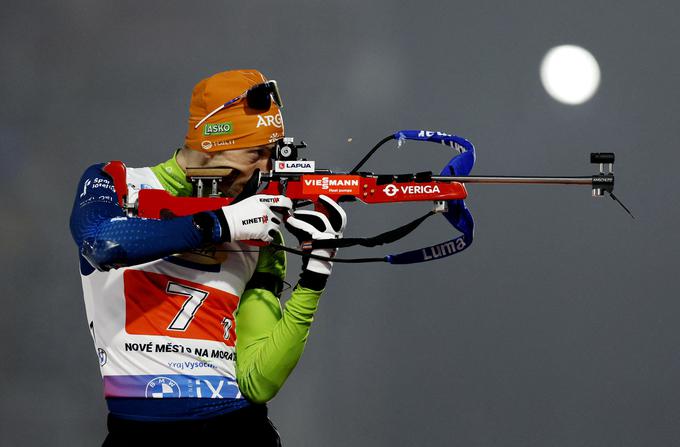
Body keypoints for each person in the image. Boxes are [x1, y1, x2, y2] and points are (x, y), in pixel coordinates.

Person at [69, 69, 346, 446]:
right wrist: (219, 224)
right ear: (213, 143)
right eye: (256, 153)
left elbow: (258, 381)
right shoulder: (116, 181)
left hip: (238, 431)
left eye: (272, 154)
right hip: (136, 434)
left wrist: (315, 273)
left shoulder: (258, 229)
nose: (266, 170)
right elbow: (101, 243)